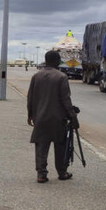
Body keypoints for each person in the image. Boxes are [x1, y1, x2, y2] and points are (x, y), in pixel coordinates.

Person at [27, 50, 79, 183]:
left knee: (41, 146)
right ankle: (62, 172)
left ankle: (41, 174)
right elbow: (66, 100)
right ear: (57, 61)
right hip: (58, 119)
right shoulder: (61, 77)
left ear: (45, 60)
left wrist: (30, 115)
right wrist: (73, 117)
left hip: (40, 117)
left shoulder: (36, 76)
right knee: (60, 146)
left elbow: (30, 97)